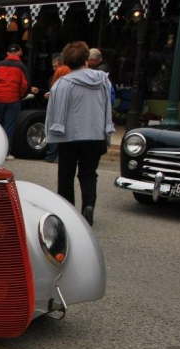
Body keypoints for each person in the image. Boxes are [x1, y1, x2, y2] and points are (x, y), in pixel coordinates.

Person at [45, 41, 115, 226]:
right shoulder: (102, 81)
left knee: (66, 174)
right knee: (89, 173)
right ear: (86, 59)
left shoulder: (63, 84)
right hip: (95, 134)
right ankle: (89, 206)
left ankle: (67, 211)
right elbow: (108, 106)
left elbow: (54, 112)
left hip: (70, 135)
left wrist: (52, 134)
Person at [0, 44, 38, 144]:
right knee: (9, 126)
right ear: (19, 53)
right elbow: (25, 85)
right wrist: (20, 96)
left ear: (8, 53)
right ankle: (6, 151)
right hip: (13, 99)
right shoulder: (21, 66)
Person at [44, 54, 71, 163]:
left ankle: (51, 155)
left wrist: (50, 94)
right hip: (67, 104)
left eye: (54, 66)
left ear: (59, 63)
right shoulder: (71, 71)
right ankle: (61, 155)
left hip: (57, 103)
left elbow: (56, 87)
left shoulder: (61, 70)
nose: (54, 69)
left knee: (53, 128)